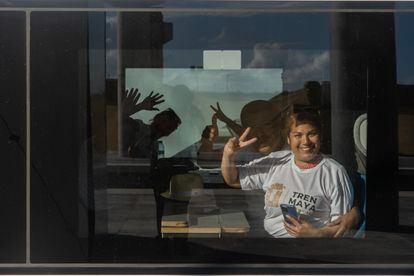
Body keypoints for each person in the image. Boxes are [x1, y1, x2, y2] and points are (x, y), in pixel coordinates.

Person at [221, 110, 354, 238]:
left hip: (307, 252)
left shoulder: (334, 172)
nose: (305, 141)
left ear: (321, 137)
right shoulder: (276, 162)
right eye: (298, 135)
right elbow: (233, 179)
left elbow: (341, 227)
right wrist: (228, 155)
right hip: (267, 244)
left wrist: (315, 234)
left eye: (312, 134)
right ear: (288, 139)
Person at [122, 88, 181, 159]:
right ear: (156, 117)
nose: (164, 127)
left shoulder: (156, 147)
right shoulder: (137, 127)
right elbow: (119, 122)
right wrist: (139, 107)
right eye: (164, 121)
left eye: (170, 128)